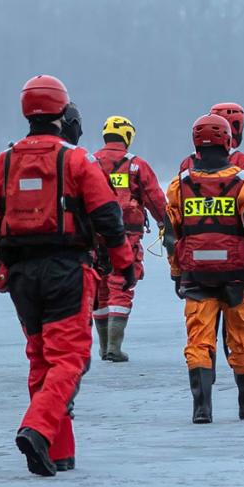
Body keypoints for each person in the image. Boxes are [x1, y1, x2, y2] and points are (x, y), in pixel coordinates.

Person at [0, 76, 134, 477]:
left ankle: (59, 451)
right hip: (66, 270)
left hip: (19, 275)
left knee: (41, 358)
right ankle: (38, 430)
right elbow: (108, 217)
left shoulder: (1, 162)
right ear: (63, 113)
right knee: (70, 358)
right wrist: (124, 263)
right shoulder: (77, 160)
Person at [168, 113, 244, 423]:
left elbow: (171, 236)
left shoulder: (179, 185)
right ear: (228, 142)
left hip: (197, 277)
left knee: (199, 340)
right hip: (238, 276)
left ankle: (202, 407)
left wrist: (177, 272)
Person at [88, 114, 170, 362]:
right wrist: (166, 224)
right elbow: (155, 197)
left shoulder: (89, 163)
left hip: (93, 235)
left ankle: (104, 347)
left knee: (99, 287)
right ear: (128, 136)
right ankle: (114, 346)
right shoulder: (136, 165)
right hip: (126, 235)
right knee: (121, 284)